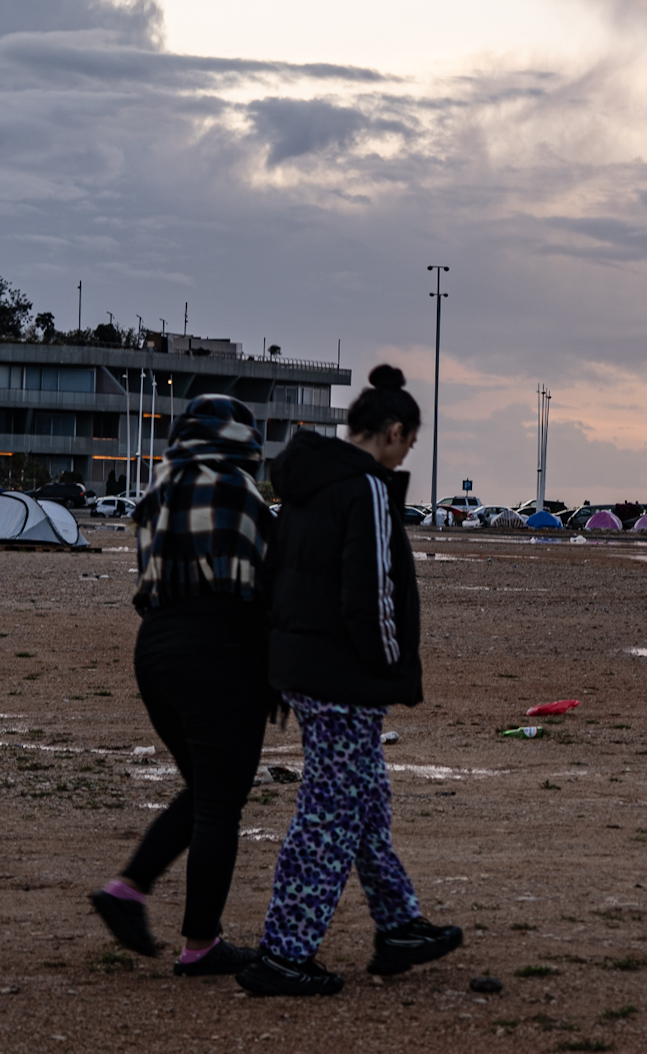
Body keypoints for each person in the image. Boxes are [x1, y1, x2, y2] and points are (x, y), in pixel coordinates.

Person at [236, 366, 462, 997]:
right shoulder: (364, 489)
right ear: (393, 433)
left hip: (305, 671)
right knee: (330, 814)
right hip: (343, 678)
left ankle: (398, 925)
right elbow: (372, 591)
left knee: (362, 802)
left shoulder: (310, 485)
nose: (406, 454)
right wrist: (388, 668)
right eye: (409, 444)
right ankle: (284, 953)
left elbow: (277, 574)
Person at [88, 395, 273, 977]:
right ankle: (200, 944)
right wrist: (273, 673)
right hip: (216, 648)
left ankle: (128, 891)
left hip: (156, 649)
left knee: (206, 790)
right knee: (221, 801)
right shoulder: (238, 491)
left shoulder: (157, 494)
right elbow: (254, 591)